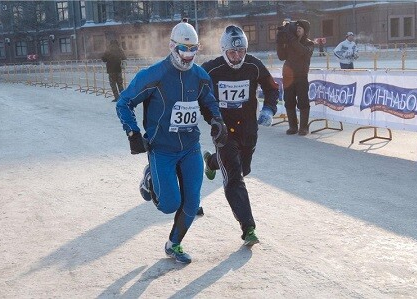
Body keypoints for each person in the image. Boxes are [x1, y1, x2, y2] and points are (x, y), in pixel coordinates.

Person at [115, 19, 227, 264]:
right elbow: (124, 102)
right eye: (183, 50)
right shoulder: (154, 75)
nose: (188, 56)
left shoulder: (199, 76)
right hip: (162, 149)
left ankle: (174, 244)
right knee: (169, 205)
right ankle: (149, 177)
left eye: (193, 50)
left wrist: (217, 121)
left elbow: (208, 103)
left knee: (193, 201)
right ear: (172, 47)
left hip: (190, 148)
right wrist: (133, 133)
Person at [200, 25, 279, 246]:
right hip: (223, 131)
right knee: (235, 177)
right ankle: (248, 227)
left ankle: (211, 161)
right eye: (232, 53)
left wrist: (268, 109)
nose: (237, 57)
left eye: (241, 52)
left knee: (244, 168)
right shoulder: (211, 70)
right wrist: (212, 119)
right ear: (223, 51)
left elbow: (272, 87)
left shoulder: (254, 65)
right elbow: (195, 92)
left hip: (248, 128)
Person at [276, 19, 314, 136]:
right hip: (288, 76)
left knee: (303, 101)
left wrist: (291, 38)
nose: (297, 29)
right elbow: (281, 57)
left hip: (301, 76)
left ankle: (303, 127)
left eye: (300, 28)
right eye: (296, 28)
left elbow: (302, 51)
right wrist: (279, 41)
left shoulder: (309, 44)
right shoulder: (290, 42)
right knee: (289, 101)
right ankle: (293, 126)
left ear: (305, 31)